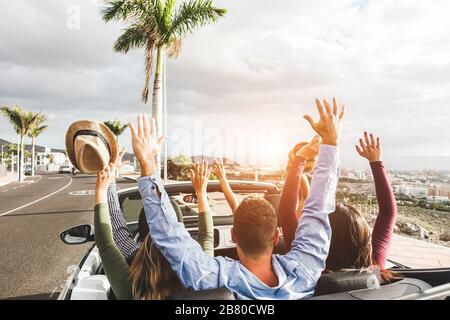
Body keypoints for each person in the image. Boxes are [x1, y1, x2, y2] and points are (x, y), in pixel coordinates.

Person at [131, 98, 345, 300]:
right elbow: (318, 210)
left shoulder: (214, 279)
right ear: (275, 237)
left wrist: (148, 165)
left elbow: (168, 234)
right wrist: (331, 142)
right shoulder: (305, 272)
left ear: (234, 236)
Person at [94, 150, 214, 300]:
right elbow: (207, 236)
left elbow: (109, 236)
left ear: (144, 240)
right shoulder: (201, 275)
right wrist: (201, 192)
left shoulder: (131, 289)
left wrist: (107, 183)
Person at [279, 130, 398, 283]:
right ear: (364, 239)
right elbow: (388, 213)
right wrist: (376, 161)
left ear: (323, 237)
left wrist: (300, 158)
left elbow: (286, 211)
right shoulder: (375, 268)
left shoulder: (307, 266)